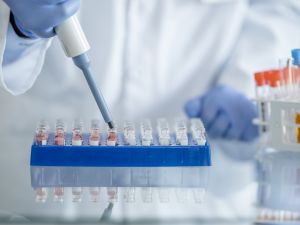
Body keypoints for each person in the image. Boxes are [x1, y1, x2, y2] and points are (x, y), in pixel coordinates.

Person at [0, 0, 300, 221]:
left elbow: (280, 8)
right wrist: (19, 28)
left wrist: (247, 83)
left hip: (198, 199)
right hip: (44, 176)